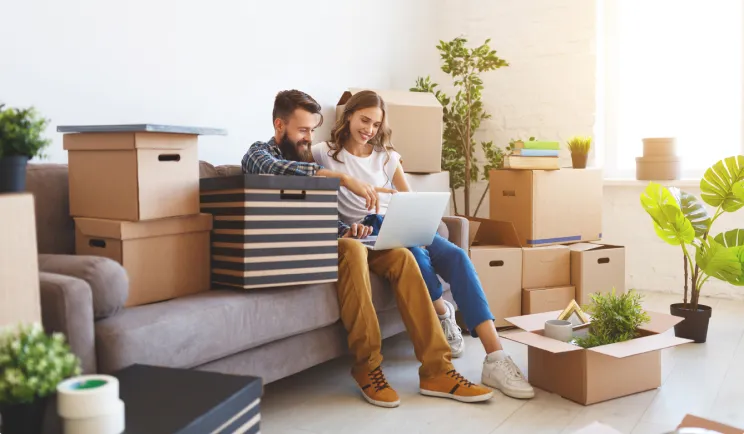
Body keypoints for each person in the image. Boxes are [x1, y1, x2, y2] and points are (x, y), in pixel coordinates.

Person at [241, 89, 494, 408]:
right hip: (296, 250)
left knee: (401, 255)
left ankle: (437, 369)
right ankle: (368, 367)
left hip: (336, 237)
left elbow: (327, 214)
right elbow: (269, 169)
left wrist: (350, 227)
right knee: (352, 250)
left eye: (311, 131)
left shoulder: (307, 155)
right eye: (302, 130)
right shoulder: (262, 153)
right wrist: (342, 179)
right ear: (279, 125)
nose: (308, 137)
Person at [310, 90, 535, 400]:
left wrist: (416, 215)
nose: (369, 130)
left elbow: (410, 197)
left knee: (457, 256)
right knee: (414, 255)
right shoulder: (323, 152)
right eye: (364, 120)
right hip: (370, 232)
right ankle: (442, 314)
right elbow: (304, 175)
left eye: (376, 124)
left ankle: (496, 357)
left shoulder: (386, 156)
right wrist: (345, 181)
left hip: (401, 220)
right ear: (348, 116)